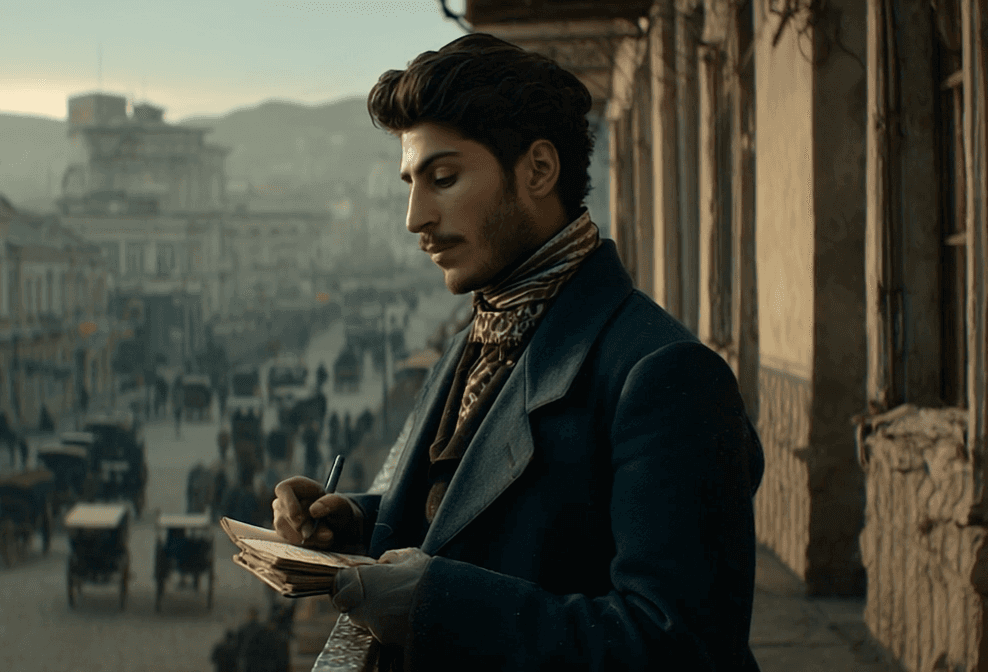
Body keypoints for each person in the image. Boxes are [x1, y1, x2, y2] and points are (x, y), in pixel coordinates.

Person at [269, 33, 764, 670]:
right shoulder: (478, 337)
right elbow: (508, 516)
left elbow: (677, 644)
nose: (415, 217)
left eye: (443, 178)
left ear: (537, 170)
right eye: (409, 184)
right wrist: (354, 522)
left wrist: (434, 603)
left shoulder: (666, 376)